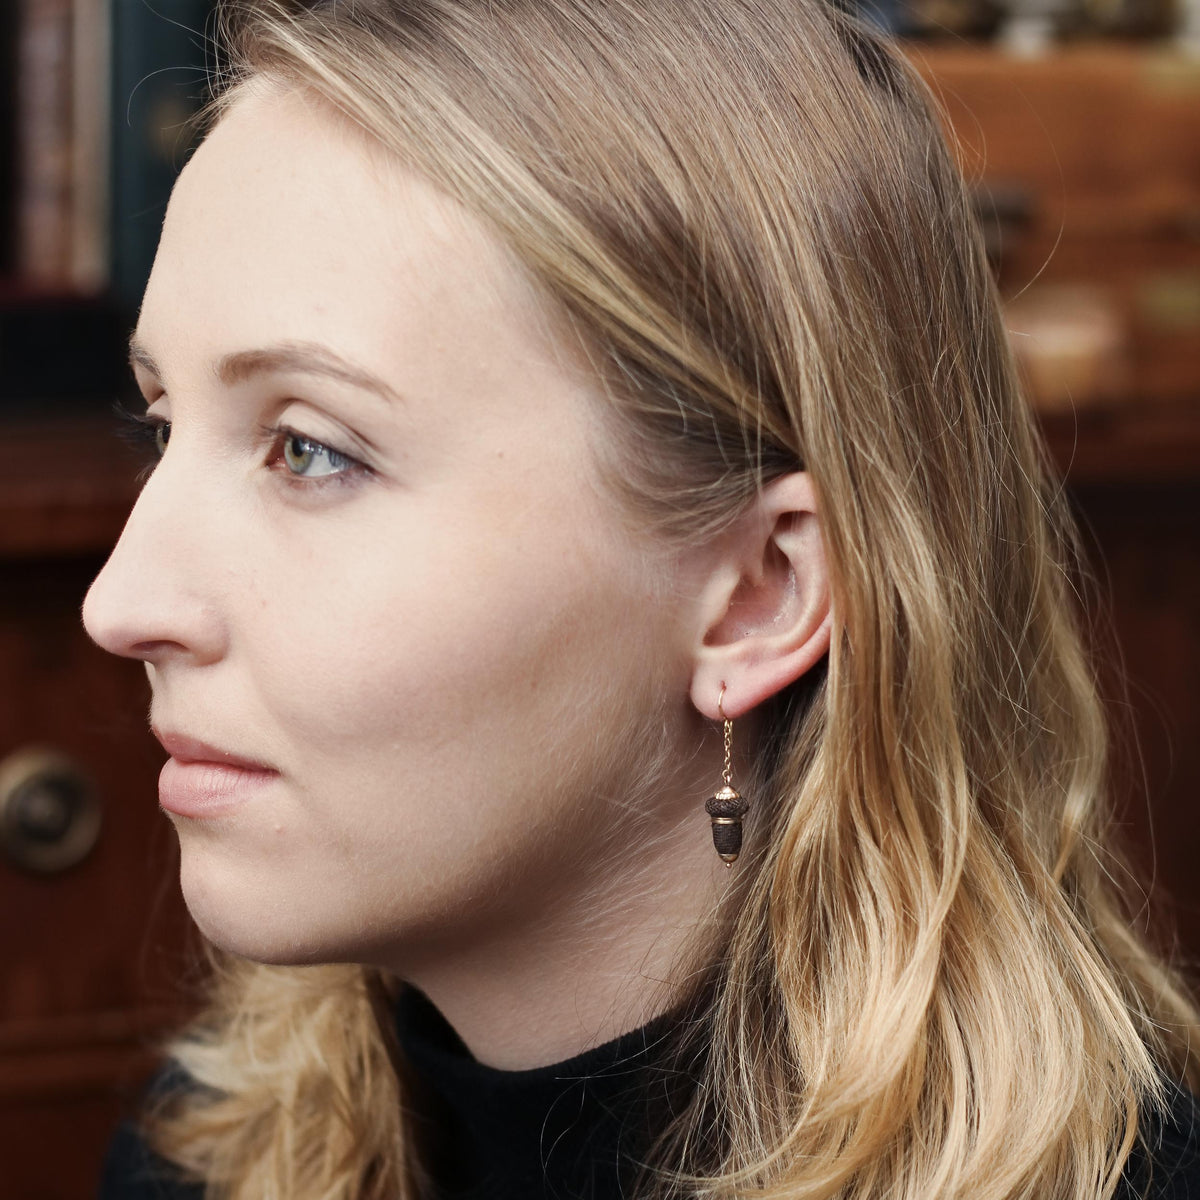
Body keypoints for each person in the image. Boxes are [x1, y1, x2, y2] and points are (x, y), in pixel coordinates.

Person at [83, 0, 1200, 1197]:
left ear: (758, 596)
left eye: (310, 450)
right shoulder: (207, 1155)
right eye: (161, 426)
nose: (123, 601)